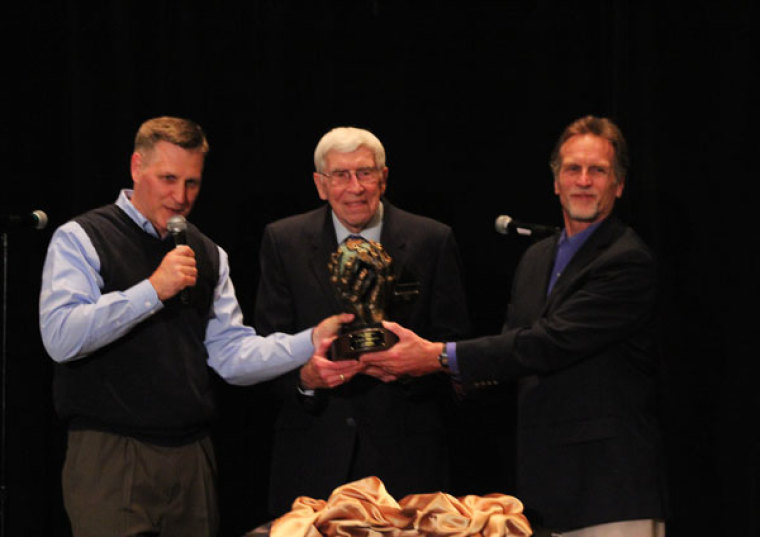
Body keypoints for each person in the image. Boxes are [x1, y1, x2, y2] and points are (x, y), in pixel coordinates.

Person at [38, 116, 360, 537]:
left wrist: (310, 340)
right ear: (137, 167)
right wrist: (153, 289)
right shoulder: (82, 237)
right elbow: (61, 338)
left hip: (191, 455)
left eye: (192, 183)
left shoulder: (208, 253)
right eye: (168, 179)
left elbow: (230, 356)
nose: (180, 196)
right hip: (111, 452)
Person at [361, 116, 667, 536]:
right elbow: (512, 348)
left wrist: (435, 356)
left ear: (619, 184)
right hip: (544, 489)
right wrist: (430, 375)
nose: (583, 181)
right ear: (555, 181)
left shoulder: (626, 260)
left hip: (609, 489)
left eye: (598, 170)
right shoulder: (536, 258)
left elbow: (549, 343)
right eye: (572, 169)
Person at [255, 126, 470, 516]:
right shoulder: (283, 241)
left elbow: (454, 342)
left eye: (365, 173)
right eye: (340, 175)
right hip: (313, 458)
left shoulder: (431, 240)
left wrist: (411, 367)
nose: (355, 187)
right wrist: (305, 380)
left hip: (407, 460)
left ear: (383, 178)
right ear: (321, 184)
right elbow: (267, 346)